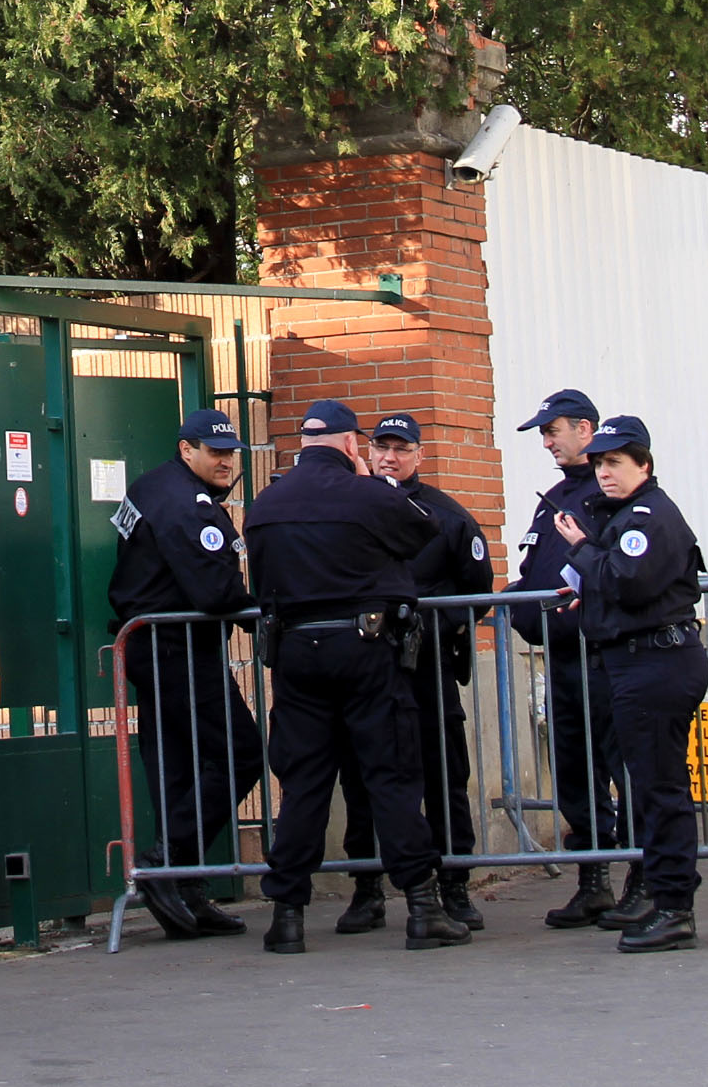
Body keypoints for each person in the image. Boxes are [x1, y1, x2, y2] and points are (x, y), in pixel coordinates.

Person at [243, 401, 468, 954]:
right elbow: (422, 532)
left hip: (297, 653)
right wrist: (370, 484)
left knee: (304, 784)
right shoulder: (368, 495)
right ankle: (423, 906)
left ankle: (287, 917)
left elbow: (261, 583)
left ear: (302, 444)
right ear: (351, 445)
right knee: (391, 775)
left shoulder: (265, 504)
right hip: (365, 649)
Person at [323, 414, 496, 935]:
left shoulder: (446, 515)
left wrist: (432, 620)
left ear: (420, 455)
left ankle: (454, 886)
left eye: (401, 449)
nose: (390, 457)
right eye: (382, 447)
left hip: (426, 669)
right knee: (362, 780)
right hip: (364, 669)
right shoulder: (348, 511)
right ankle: (367, 889)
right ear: (368, 452)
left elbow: (477, 591)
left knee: (444, 777)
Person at [554, 415, 708, 953]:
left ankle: (673, 907)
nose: (604, 472)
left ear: (643, 464)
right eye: (598, 462)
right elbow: (622, 585)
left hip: (656, 663)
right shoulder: (627, 515)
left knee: (659, 790)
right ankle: (668, 900)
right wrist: (591, 588)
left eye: (615, 462)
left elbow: (628, 579)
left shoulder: (647, 516)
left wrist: (581, 549)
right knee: (651, 787)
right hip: (641, 662)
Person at [106, 408, 262, 940]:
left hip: (154, 644)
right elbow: (214, 591)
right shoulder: (185, 503)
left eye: (231, 453)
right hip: (178, 648)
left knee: (179, 767)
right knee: (240, 754)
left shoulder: (152, 486)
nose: (225, 462)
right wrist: (262, 611)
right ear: (186, 449)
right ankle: (167, 861)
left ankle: (183, 887)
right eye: (215, 452)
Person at [511, 387, 628, 928]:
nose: (546, 442)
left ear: (584, 429)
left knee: (627, 770)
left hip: (608, 656)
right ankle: (593, 881)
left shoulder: (612, 494)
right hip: (562, 658)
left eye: (552, 431)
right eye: (543, 433)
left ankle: (644, 880)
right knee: (575, 773)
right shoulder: (555, 497)